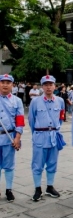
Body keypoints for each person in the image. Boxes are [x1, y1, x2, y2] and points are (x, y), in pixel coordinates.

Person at [28, 75, 65, 202]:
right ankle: (38, 188)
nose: (48, 87)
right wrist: (37, 133)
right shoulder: (35, 101)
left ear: (55, 86)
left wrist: (56, 129)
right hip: (40, 136)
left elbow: (61, 117)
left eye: (51, 84)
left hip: (53, 136)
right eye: (46, 84)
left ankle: (50, 186)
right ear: (42, 86)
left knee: (52, 163)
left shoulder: (60, 101)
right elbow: (31, 120)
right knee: (37, 164)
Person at [0, 74, 25, 202]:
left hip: (9, 137)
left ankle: (9, 189)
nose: (5, 84)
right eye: (2, 82)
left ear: (12, 85)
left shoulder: (17, 101)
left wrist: (18, 137)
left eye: (8, 82)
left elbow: (20, 120)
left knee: (9, 165)